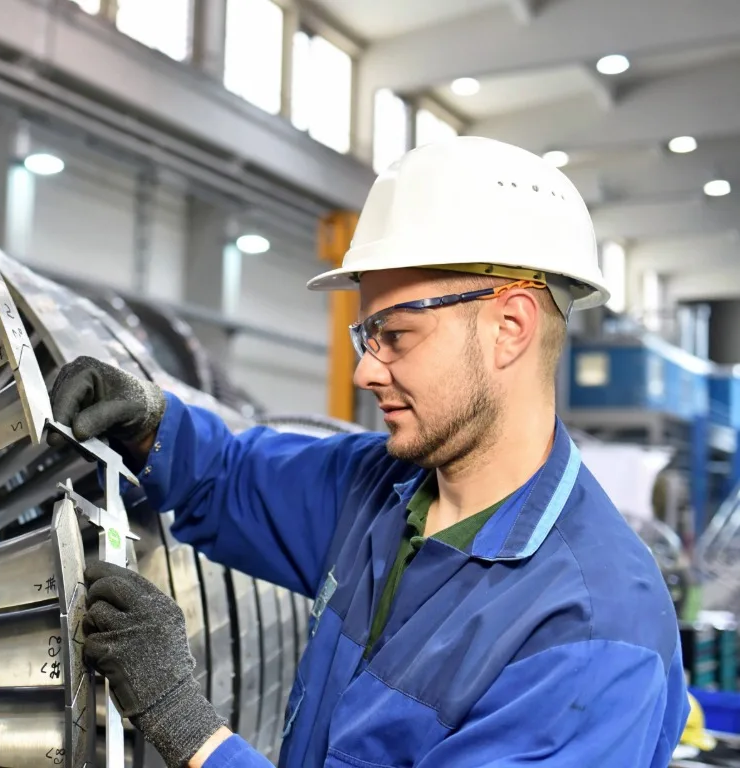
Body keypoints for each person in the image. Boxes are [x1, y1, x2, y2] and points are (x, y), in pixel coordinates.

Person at [51, 136, 690, 767]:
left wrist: (190, 731)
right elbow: (232, 479)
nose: (366, 372)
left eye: (396, 335)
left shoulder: (590, 636)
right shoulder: (383, 488)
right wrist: (150, 423)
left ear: (509, 328)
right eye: (367, 335)